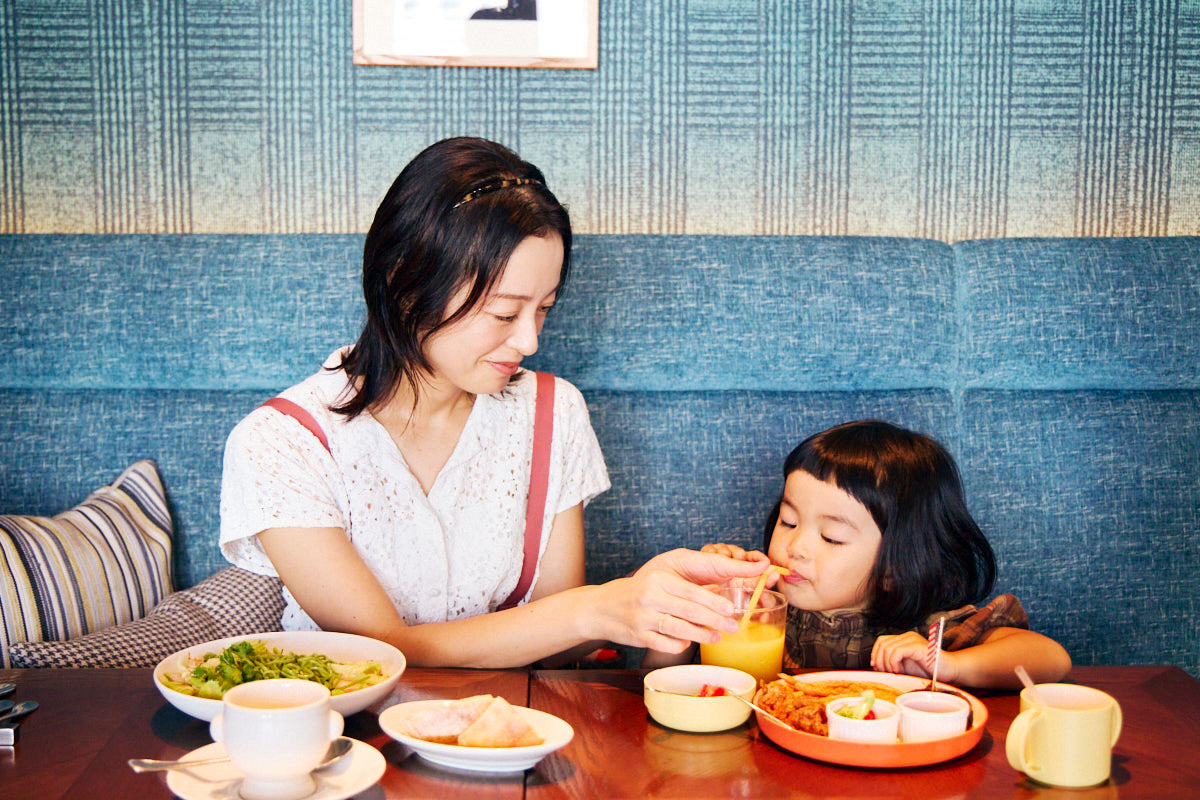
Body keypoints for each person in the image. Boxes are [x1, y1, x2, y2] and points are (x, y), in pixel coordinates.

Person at [219, 136, 770, 668]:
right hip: (353, 737)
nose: (530, 341)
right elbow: (381, 653)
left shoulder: (554, 411)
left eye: (545, 308)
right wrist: (597, 607)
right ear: (406, 284)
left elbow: (559, 644)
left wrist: (651, 599)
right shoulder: (280, 442)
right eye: (505, 313)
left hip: (524, 729)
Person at [646, 420, 1071, 690]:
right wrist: (693, 603)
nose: (795, 547)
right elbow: (657, 680)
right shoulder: (755, 613)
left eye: (831, 537)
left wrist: (952, 666)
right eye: (789, 522)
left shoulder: (921, 630)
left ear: (898, 562)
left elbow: (1051, 659)